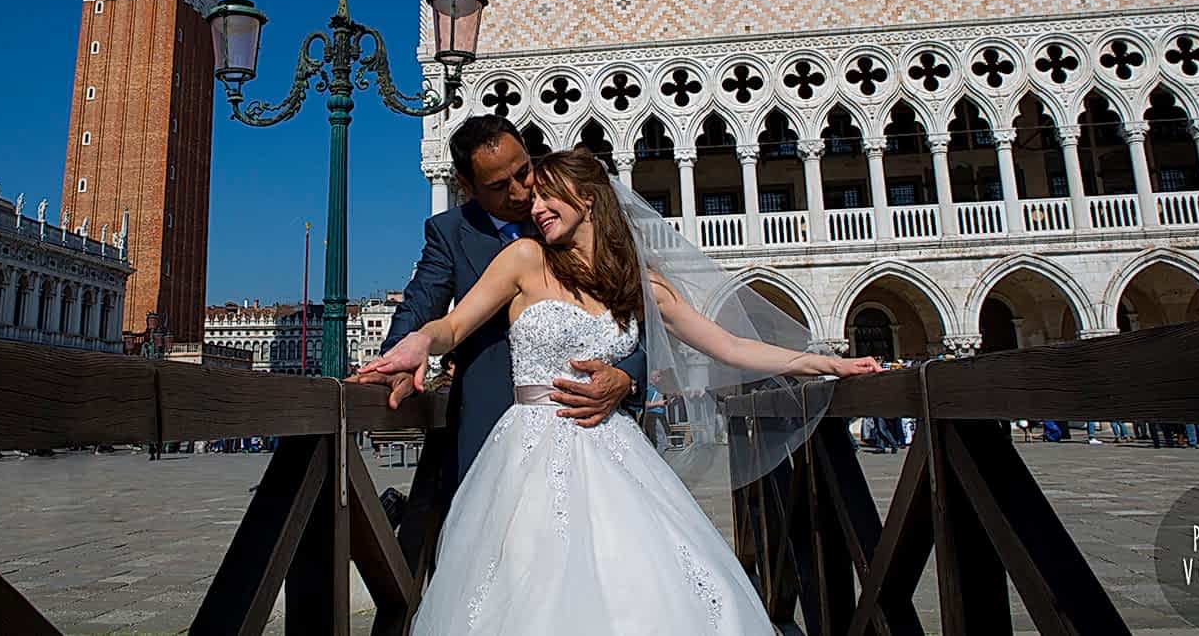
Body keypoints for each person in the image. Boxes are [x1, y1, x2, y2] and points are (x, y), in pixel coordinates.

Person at [358, 148, 879, 634]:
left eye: (546, 194)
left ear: (587, 198)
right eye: (532, 197)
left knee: (637, 577)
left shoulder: (639, 284)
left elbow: (729, 346)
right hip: (527, 454)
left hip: (614, 450)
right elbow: (453, 327)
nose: (533, 207)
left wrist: (820, 361)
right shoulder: (522, 259)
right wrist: (417, 344)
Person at [350, 117, 645, 492]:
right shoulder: (450, 233)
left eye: (524, 171)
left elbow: (635, 308)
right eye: (499, 186)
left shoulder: (567, 215)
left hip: (592, 425)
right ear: (466, 186)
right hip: (491, 420)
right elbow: (422, 302)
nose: (522, 193)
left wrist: (627, 375)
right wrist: (394, 360)